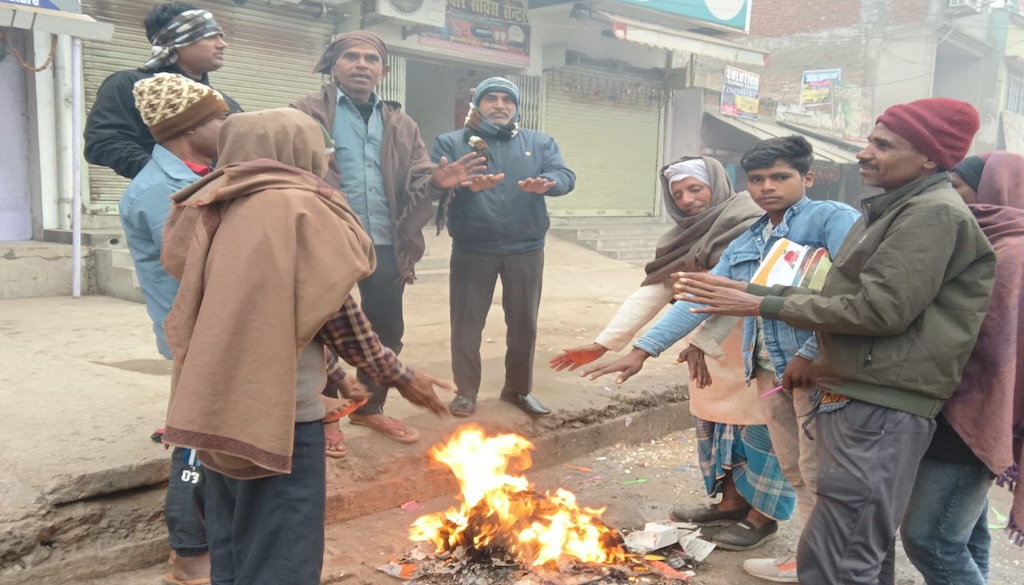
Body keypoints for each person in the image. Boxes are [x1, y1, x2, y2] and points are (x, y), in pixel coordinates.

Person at [673, 98, 996, 585]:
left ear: (930, 158)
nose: (864, 153)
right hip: (859, 392)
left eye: (882, 145)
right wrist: (755, 292)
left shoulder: (930, 214)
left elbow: (879, 309)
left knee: (839, 557)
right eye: (869, 140)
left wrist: (765, 304)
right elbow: (842, 293)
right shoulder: (896, 208)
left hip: (879, 401)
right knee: (854, 549)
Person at [158, 108, 453, 585]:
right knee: (283, 556)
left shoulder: (210, 201)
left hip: (210, 402)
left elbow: (271, 309)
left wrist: (335, 378)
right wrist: (400, 375)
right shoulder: (298, 207)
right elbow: (334, 311)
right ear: (301, 151)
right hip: (278, 416)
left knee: (235, 544)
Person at [584, 139, 860, 554]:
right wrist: (642, 351)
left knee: (822, 472)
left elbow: (850, 292)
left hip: (817, 370)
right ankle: (810, 558)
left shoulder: (830, 219)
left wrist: (809, 353)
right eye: (757, 179)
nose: (767, 187)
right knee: (797, 469)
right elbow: (700, 297)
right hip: (768, 371)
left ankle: (826, 560)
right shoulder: (750, 237)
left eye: (780, 177)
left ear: (807, 178)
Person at [291, 31, 486, 446]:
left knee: (385, 330)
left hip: (383, 239)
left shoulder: (400, 122)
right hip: (327, 238)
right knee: (320, 328)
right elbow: (290, 168)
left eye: (371, 59)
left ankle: (368, 409)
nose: (362, 65)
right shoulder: (305, 113)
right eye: (351, 57)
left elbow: (417, 173)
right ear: (333, 64)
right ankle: (325, 416)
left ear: (384, 70)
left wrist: (435, 180)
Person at [120, 71, 228, 585]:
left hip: (213, 331)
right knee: (195, 441)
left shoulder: (204, 171)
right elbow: (194, 272)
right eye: (221, 117)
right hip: (199, 335)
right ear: (190, 128)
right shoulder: (160, 190)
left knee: (213, 437)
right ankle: (188, 554)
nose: (229, 124)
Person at [899, 151, 1024, 584]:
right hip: (962, 404)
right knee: (964, 531)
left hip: (973, 408)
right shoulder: (982, 240)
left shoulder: (1010, 252)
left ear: (993, 191)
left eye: (955, 187)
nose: (947, 197)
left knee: (928, 537)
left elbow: (992, 346)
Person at [431, 77, 576, 417]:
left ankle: (517, 390)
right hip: (472, 248)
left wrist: (549, 183)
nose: (500, 105)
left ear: (516, 107)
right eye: (491, 99)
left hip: (525, 247)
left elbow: (565, 174)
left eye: (507, 100)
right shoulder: (452, 143)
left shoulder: (538, 143)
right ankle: (465, 392)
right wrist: (458, 185)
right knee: (466, 324)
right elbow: (431, 181)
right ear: (477, 106)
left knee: (524, 323)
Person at [84, 2, 241, 179]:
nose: (222, 44)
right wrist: (169, 177)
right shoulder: (131, 85)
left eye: (221, 36)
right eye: (210, 36)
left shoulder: (225, 103)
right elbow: (103, 142)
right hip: (169, 200)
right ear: (177, 40)